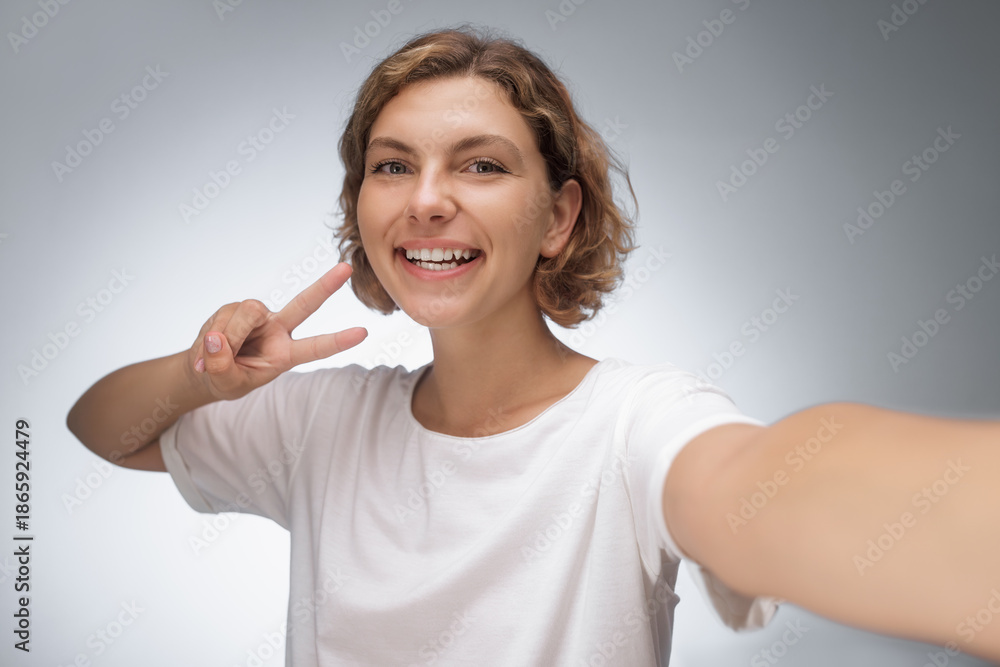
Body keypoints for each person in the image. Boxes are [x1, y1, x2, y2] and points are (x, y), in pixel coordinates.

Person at [67, 23, 1000, 666]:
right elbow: (98, 427)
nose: (427, 199)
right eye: (393, 165)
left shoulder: (635, 424)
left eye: (480, 164)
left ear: (558, 216)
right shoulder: (321, 422)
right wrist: (203, 377)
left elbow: (761, 487)